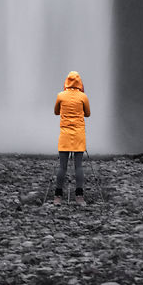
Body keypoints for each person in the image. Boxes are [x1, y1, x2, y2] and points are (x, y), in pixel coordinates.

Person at [53, 70, 90, 203]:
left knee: (62, 166)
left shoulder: (60, 96)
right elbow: (88, 114)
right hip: (79, 135)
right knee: (78, 166)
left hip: (65, 135)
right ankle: (79, 196)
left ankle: (58, 196)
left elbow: (56, 112)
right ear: (80, 82)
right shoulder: (83, 97)